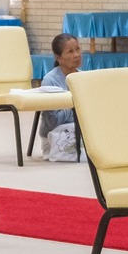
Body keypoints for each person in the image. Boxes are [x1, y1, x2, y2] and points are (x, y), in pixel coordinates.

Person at [36, 33, 82, 161]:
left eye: (78, 49)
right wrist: (74, 105)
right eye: (70, 52)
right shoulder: (50, 81)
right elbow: (53, 121)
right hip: (57, 134)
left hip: (81, 130)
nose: (77, 55)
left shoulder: (84, 77)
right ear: (59, 57)